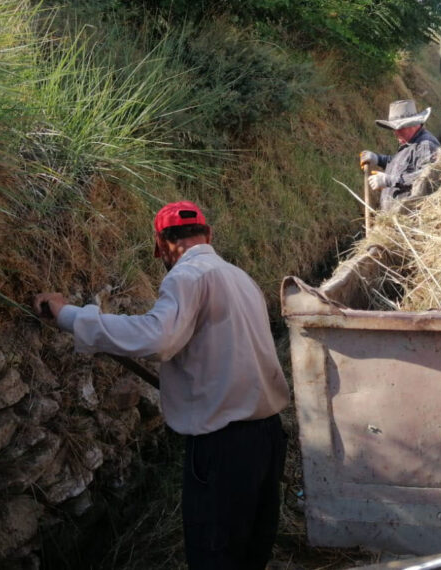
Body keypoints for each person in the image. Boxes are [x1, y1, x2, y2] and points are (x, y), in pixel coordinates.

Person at [33, 201, 291, 570]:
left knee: (215, 556)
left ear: (162, 246)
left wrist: (68, 315)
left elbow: (157, 337)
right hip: (267, 439)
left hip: (224, 448)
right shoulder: (241, 278)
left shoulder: (186, 277)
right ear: (209, 235)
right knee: (251, 550)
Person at [359, 99, 441, 211]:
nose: (396, 133)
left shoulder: (425, 145)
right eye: (394, 129)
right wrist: (378, 159)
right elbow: (403, 164)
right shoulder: (410, 142)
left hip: (409, 220)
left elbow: (426, 176)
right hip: (396, 217)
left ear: (413, 125)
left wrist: (389, 180)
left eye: (400, 129)